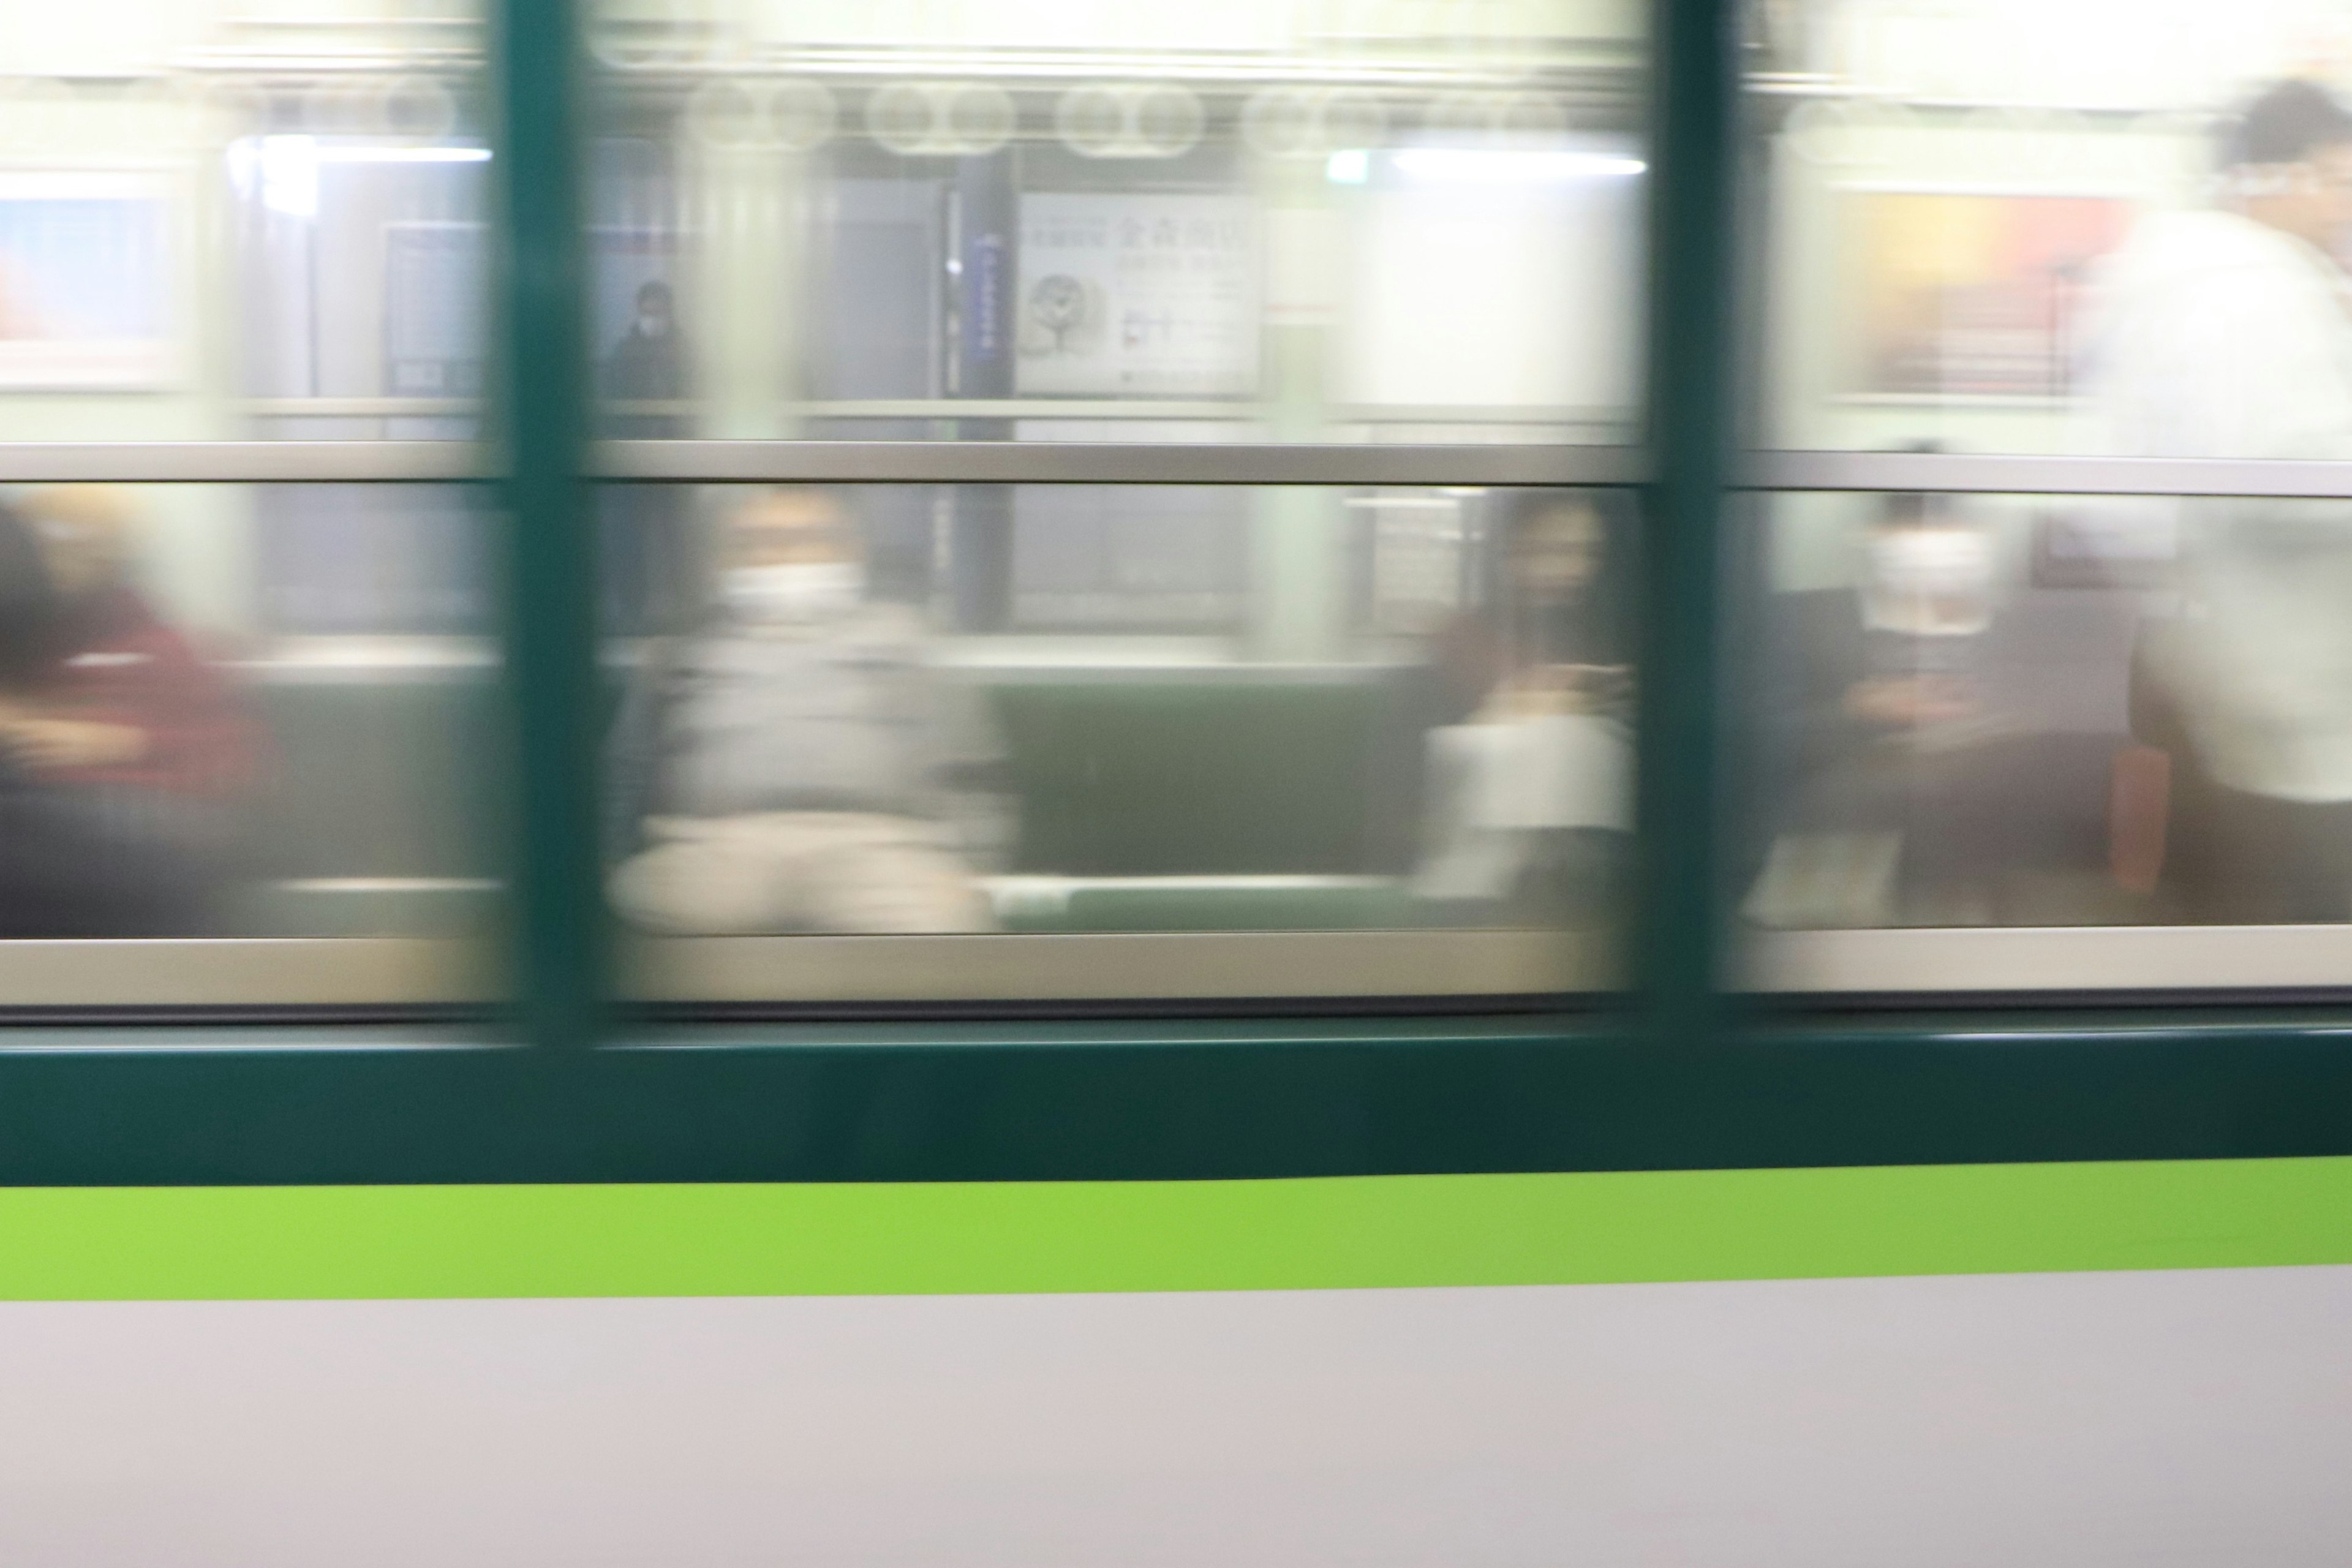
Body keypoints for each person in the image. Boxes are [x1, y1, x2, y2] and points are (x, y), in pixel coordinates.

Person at [2081, 79, 2352, 920]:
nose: (2346, 206)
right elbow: (2284, 471)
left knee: (2232, 923)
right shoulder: (2254, 291)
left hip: (2225, 686)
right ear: (2288, 175)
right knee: (2300, 946)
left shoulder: (2167, 280)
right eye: (2341, 180)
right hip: (2299, 709)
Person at [605, 488, 1003, 935]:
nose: (782, 556)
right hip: (712, 846)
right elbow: (629, 770)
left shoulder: (905, 639)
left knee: (934, 920)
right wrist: (613, 855)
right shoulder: (684, 648)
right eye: (756, 543)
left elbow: (970, 772)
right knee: (645, 907)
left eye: (805, 538)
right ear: (722, 559)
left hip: (877, 844)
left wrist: (969, 867)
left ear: (849, 549)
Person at [0, 489, 258, 937]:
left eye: (91, 542)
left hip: (125, 850)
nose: (69, 559)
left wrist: (129, 744)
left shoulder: (162, 649)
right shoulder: (29, 644)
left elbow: (236, 767)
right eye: (54, 540)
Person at [1412, 493, 1635, 923]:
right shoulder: (1462, 635)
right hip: (1475, 841)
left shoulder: (1606, 629)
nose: (1572, 569)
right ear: (1514, 551)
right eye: (1554, 551)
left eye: (1586, 553)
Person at [601, 279, 695, 633]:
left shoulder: (685, 352)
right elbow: (612, 404)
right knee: (634, 543)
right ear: (640, 309)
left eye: (659, 308)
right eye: (649, 308)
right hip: (639, 462)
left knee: (675, 540)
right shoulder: (624, 353)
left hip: (675, 462)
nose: (654, 315)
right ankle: (634, 609)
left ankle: (679, 608)